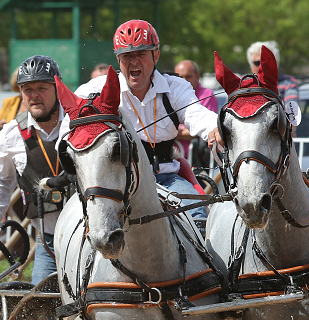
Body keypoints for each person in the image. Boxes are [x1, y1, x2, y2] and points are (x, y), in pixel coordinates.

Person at [69, 20, 221, 219]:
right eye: (127, 56)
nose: (134, 62)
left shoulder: (175, 87)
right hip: (117, 184)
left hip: (168, 179)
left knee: (198, 214)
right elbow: (68, 129)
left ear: (155, 55)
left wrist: (215, 127)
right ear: (118, 59)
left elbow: (197, 114)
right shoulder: (94, 90)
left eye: (141, 54)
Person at [0, 55, 69, 284]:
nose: (34, 95)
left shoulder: (77, 124)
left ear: (58, 87)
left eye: (42, 87)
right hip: (49, 241)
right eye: (27, 89)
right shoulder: (11, 133)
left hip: (90, 238)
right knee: (40, 305)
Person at [174, 59, 220, 167]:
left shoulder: (207, 94)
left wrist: (172, 133)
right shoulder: (169, 95)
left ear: (197, 76)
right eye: (180, 77)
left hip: (197, 163)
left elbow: (201, 129)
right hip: (170, 161)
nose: (184, 80)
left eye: (188, 76)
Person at [247, 41, 299, 105]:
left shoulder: (288, 82)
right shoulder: (242, 83)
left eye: (265, 62)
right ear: (251, 66)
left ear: (275, 64)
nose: (261, 66)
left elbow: (292, 111)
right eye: (257, 63)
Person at [0, 70, 26, 135]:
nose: (25, 89)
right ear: (16, 85)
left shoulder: (41, 103)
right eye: (22, 84)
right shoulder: (10, 102)